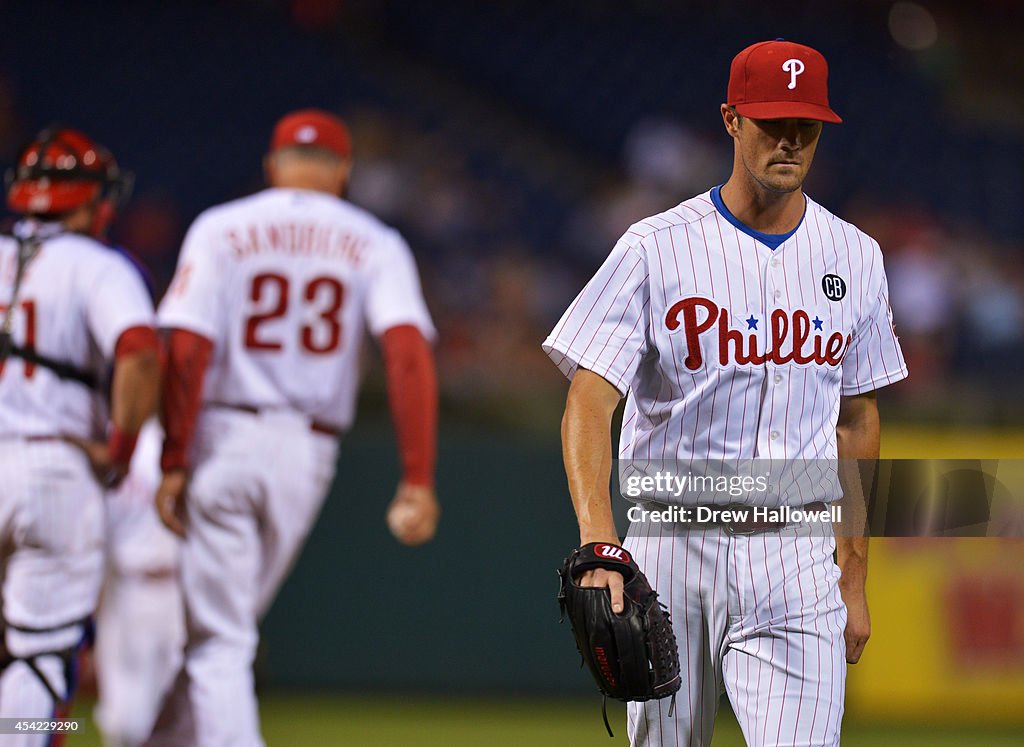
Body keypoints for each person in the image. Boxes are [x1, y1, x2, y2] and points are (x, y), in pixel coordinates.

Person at [543, 40, 908, 746]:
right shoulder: (656, 246)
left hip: (795, 549)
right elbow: (589, 400)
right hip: (672, 540)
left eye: (806, 125)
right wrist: (598, 539)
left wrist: (854, 574)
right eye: (773, 122)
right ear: (732, 120)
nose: (791, 141)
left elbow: (857, 418)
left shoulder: (855, 255)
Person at [146, 109, 440, 746]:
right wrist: (416, 476)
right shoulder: (375, 239)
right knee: (224, 632)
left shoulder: (221, 227)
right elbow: (408, 352)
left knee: (220, 639)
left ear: (274, 164)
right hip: (307, 456)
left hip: (225, 436)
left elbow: (187, 349)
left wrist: (173, 455)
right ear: (345, 171)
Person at [0, 127, 159, 740]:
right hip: (53, 467)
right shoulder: (97, 265)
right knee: (38, 652)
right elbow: (140, 350)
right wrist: (121, 448)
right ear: (97, 201)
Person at [94, 420, 184, 747]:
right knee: (125, 721)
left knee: (176, 713)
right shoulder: (115, 443)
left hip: (177, 591)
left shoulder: (180, 441)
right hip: (128, 586)